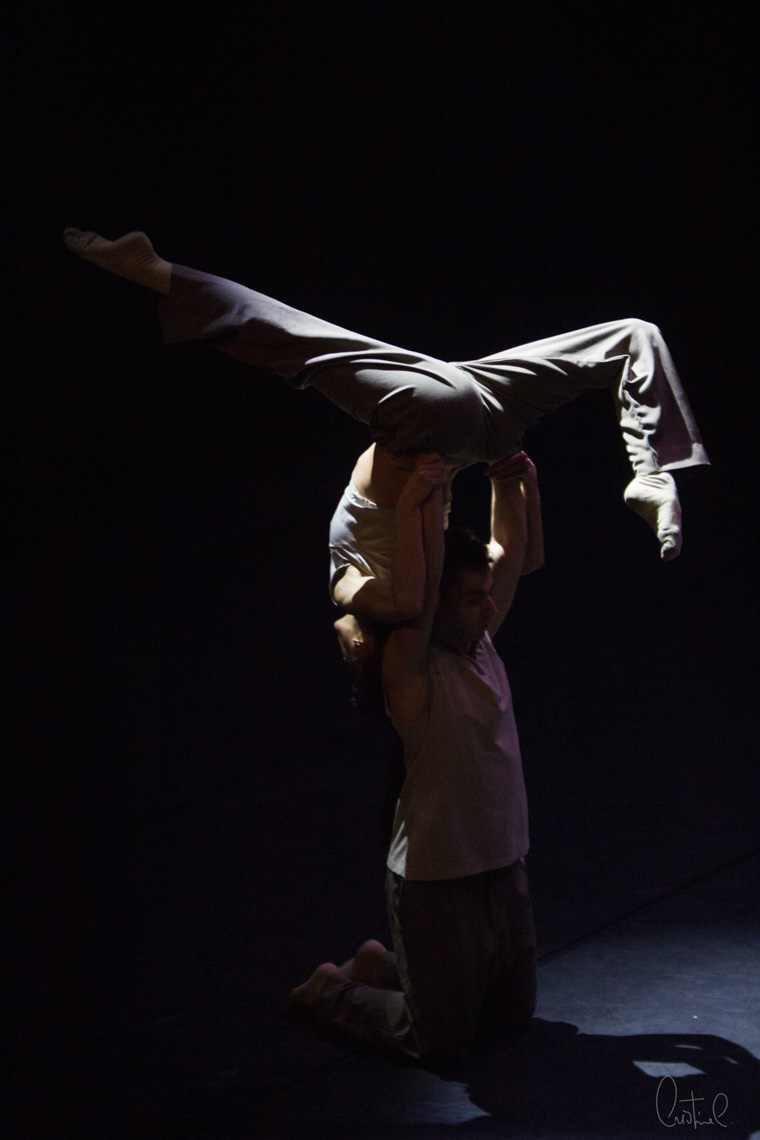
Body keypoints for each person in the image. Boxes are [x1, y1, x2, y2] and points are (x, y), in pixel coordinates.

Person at [63, 228, 710, 629]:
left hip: (454, 426)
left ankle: (163, 278)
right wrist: (513, 484)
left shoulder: (356, 588)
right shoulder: (423, 580)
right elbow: (525, 559)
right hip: (455, 430)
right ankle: (650, 472)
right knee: (629, 337)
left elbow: (410, 601)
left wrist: (444, 493)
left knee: (306, 345)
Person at [288, 451, 543, 1060]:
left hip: (502, 865)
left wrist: (513, 477)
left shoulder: (481, 646)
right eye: (473, 598)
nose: (489, 607)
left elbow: (514, 552)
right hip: (438, 881)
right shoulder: (414, 677)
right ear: (441, 604)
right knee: (442, 1042)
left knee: (512, 1013)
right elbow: (417, 598)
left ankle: (383, 965)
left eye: (486, 596)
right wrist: (415, 505)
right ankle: (331, 990)